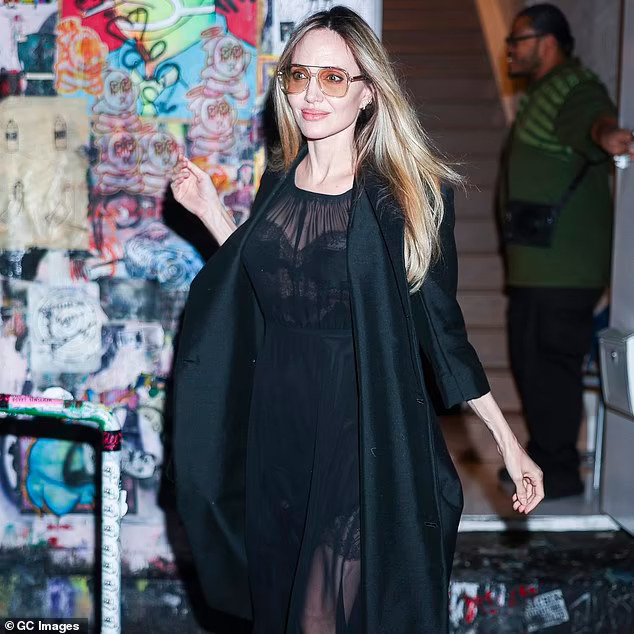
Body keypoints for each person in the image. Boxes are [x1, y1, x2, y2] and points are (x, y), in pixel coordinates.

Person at [171, 6, 544, 633]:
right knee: (279, 599)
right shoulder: (280, 179)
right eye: (299, 76)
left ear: (368, 91)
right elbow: (266, 286)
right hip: (277, 422)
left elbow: (443, 330)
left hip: (359, 420)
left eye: (333, 78)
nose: (311, 94)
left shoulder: (401, 197)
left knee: (321, 612)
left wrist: (508, 443)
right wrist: (212, 213)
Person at [499, 3, 634, 499]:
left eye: (519, 40)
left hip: (563, 269)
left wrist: (609, 135)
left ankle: (557, 472)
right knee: (533, 365)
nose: (510, 50)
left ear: (548, 42)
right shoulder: (544, 92)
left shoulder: (573, 87)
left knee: (551, 369)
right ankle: (544, 459)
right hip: (540, 267)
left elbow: (593, 119)